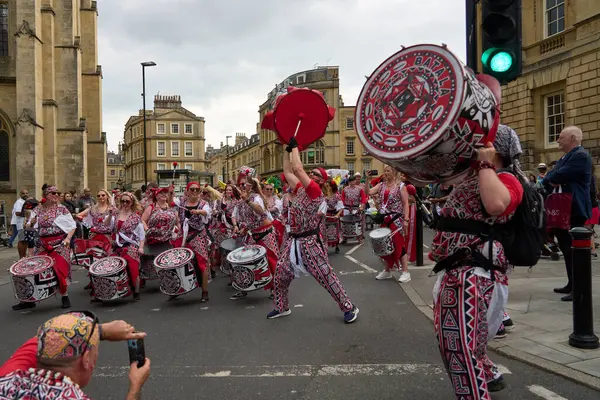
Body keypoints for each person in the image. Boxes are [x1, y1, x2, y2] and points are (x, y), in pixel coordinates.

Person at [431, 125, 525, 398]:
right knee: (461, 346)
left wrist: (485, 163)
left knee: (459, 351)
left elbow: (496, 204)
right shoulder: (477, 176)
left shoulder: (508, 179)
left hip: (473, 276)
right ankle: (489, 375)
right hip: (460, 274)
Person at [268, 142, 359, 323]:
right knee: (280, 273)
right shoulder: (300, 188)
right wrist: (287, 149)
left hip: (310, 240)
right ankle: (281, 307)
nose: (312, 175)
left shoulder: (315, 190)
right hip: (293, 240)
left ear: (322, 181)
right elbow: (288, 172)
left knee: (325, 275)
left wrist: (294, 145)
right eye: (312, 173)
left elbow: (297, 168)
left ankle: (349, 307)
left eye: (316, 174)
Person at [0, 312, 150, 400]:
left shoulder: (7, 379)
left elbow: (50, 336)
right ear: (86, 360)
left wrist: (101, 331)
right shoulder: (71, 397)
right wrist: (135, 387)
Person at [543, 126, 592, 301]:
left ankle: (579, 287)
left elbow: (558, 175)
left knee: (575, 250)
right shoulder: (566, 157)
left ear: (572, 138)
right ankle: (572, 283)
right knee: (566, 248)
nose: (558, 140)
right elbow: (551, 177)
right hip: (564, 209)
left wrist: (553, 176)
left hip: (574, 209)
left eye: (561, 137)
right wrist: (553, 176)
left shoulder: (580, 156)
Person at [13, 186, 76, 310]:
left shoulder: (62, 209)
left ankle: (64, 295)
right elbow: (29, 228)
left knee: (59, 267)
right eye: (53, 193)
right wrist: (30, 223)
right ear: (46, 195)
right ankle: (29, 299)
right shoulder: (37, 210)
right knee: (31, 269)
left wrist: (68, 239)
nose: (56, 195)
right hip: (42, 244)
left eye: (58, 193)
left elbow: (72, 226)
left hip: (60, 244)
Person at [231, 174, 279, 300]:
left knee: (271, 261)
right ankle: (243, 287)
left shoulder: (256, 197)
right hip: (252, 233)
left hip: (265, 232)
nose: (240, 186)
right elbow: (248, 220)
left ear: (250, 186)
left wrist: (247, 200)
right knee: (244, 260)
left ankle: (276, 289)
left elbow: (260, 212)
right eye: (240, 184)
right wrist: (242, 229)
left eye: (243, 184)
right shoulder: (241, 200)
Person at [369, 166, 411, 283]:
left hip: (396, 219)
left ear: (394, 173)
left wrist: (406, 220)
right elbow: (369, 192)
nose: (385, 173)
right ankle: (387, 270)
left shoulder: (400, 186)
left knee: (398, 244)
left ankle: (406, 272)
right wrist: (367, 180)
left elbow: (405, 203)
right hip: (384, 219)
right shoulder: (381, 185)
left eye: (388, 171)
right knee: (383, 245)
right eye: (385, 171)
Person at [175, 182, 212, 302]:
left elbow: (206, 212)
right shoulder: (182, 203)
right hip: (184, 236)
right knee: (177, 261)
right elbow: (171, 202)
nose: (195, 192)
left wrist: (199, 212)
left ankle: (204, 291)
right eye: (192, 189)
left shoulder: (203, 204)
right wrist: (170, 192)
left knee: (203, 262)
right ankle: (177, 288)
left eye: (197, 190)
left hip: (198, 235)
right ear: (187, 191)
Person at [108, 192, 145, 302]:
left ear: (132, 202)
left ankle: (136, 291)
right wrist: (110, 215)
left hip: (130, 245)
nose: (125, 203)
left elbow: (141, 235)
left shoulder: (135, 217)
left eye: (127, 201)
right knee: (111, 267)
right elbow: (107, 225)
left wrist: (141, 247)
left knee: (133, 268)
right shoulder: (115, 214)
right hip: (116, 245)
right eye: (122, 201)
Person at [9, 188, 28, 258]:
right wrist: (27, 213)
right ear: (20, 194)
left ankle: (24, 256)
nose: (25, 195)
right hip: (21, 224)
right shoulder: (19, 202)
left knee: (25, 241)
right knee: (21, 240)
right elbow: (17, 213)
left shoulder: (26, 202)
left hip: (26, 224)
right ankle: (21, 257)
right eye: (23, 193)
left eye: (26, 193)